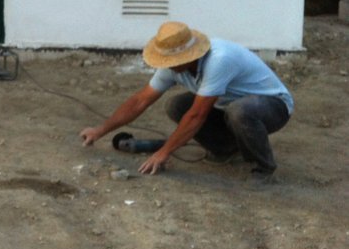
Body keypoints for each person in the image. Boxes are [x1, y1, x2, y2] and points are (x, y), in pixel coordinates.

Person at [79, 21, 293, 182]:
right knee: (177, 106)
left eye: (173, 61)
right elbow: (140, 101)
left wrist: (164, 153)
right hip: (229, 107)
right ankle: (226, 149)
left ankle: (263, 169)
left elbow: (197, 115)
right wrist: (100, 130)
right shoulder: (173, 68)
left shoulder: (219, 60)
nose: (169, 65)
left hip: (273, 106)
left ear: (190, 56)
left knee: (239, 111)